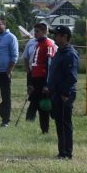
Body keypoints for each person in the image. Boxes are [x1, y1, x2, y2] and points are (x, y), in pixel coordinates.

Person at [46, 21, 80, 159]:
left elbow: (71, 77)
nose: (55, 37)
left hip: (64, 94)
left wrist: (65, 94)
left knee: (65, 124)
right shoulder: (59, 52)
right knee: (59, 123)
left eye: (57, 35)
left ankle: (67, 153)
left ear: (65, 36)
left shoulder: (70, 54)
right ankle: (62, 151)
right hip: (56, 93)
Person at [23, 22, 56, 133]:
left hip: (43, 78)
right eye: (34, 31)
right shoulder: (36, 44)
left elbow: (49, 65)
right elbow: (32, 63)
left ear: (44, 32)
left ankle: (45, 129)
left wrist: (47, 84)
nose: (35, 34)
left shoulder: (48, 45)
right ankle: (29, 122)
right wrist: (30, 81)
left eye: (37, 31)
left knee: (43, 105)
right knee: (34, 101)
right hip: (35, 77)